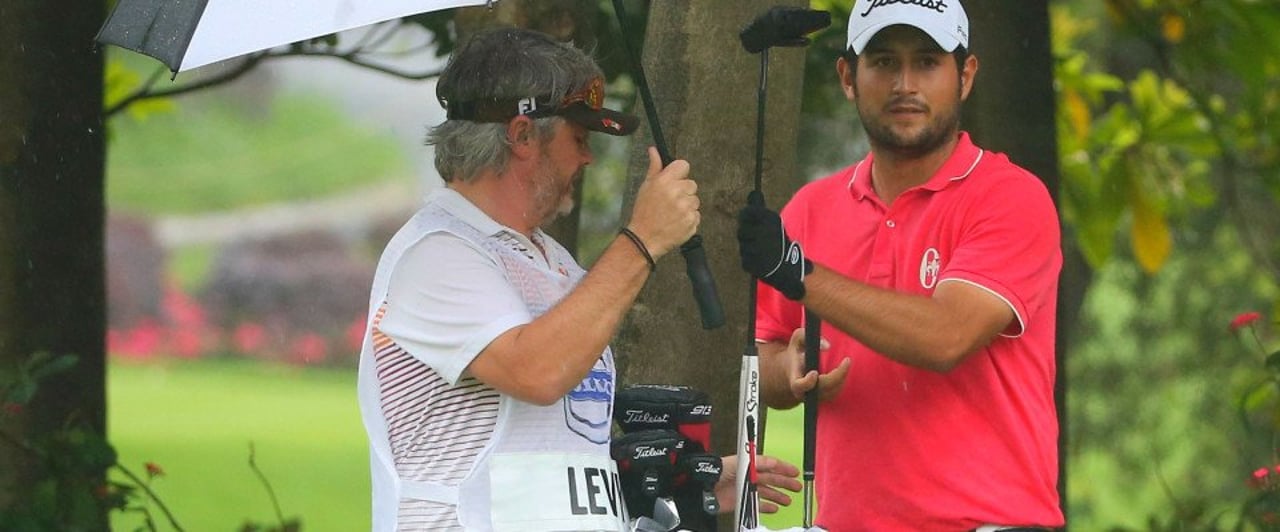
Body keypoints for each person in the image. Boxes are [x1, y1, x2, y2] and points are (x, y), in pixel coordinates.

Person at [356, 27, 800, 531]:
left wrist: (687, 481)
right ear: (522, 135)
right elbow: (539, 372)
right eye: (579, 137)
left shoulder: (556, 263)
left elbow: (564, 451)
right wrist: (643, 239)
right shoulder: (435, 254)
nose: (588, 157)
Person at [735, 1, 1065, 530]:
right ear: (848, 76)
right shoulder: (810, 210)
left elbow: (946, 337)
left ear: (966, 76)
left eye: (928, 62)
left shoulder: (1011, 198)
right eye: (884, 61)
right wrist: (788, 372)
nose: (905, 83)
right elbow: (763, 356)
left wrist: (801, 277)